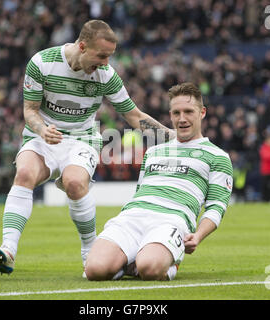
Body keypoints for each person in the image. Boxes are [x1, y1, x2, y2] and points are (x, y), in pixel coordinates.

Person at [0, 20, 174, 275]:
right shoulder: (42, 62)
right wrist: (42, 129)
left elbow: (133, 116)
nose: (106, 62)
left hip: (81, 138)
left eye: (110, 56)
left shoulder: (106, 75)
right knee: (24, 175)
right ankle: (8, 249)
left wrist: (174, 136)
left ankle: (90, 252)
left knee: (75, 183)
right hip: (42, 135)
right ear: (82, 46)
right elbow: (29, 111)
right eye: (102, 55)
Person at [85, 82, 233, 281]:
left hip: (171, 220)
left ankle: (161, 264)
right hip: (133, 216)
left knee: (150, 269)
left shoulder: (218, 156)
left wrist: (197, 236)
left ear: (202, 112)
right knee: (94, 270)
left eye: (189, 111)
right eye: (176, 113)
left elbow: (216, 207)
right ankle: (130, 261)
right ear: (170, 115)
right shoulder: (154, 151)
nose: (182, 119)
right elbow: (140, 191)